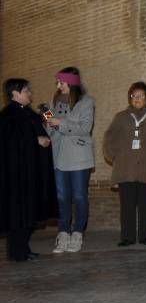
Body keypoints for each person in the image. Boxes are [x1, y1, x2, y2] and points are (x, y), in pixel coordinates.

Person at [103, 82, 146, 246]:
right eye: (134, 96)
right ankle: (127, 237)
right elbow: (109, 137)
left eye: (141, 95)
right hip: (125, 168)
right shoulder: (121, 117)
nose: (137, 98)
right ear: (130, 98)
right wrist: (114, 156)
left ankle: (145, 236)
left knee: (145, 206)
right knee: (127, 206)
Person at [0, 79, 54, 262]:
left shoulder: (29, 113)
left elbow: (46, 128)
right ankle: (17, 252)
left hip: (31, 174)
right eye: (26, 91)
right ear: (15, 93)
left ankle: (24, 248)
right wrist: (35, 141)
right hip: (16, 177)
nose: (30, 93)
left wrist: (44, 136)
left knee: (29, 214)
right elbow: (10, 145)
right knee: (18, 215)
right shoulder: (7, 117)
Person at [46, 67, 95, 254]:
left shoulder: (86, 102)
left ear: (71, 83)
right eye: (57, 82)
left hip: (78, 157)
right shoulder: (54, 101)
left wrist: (61, 123)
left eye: (61, 82)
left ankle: (77, 233)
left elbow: (85, 128)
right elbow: (50, 130)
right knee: (61, 197)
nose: (58, 86)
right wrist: (47, 120)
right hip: (58, 156)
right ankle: (63, 233)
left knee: (79, 196)